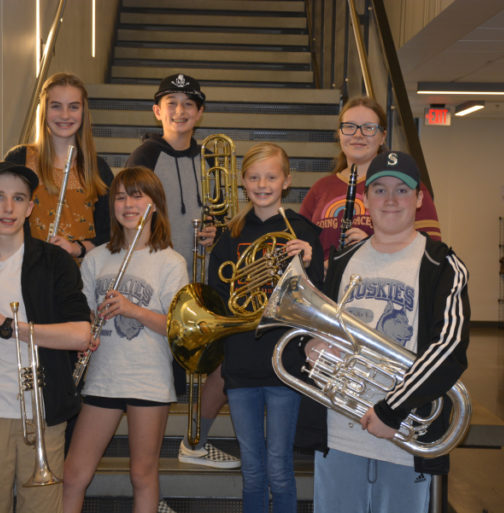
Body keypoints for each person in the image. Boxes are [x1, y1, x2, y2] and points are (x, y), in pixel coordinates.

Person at [295, 151, 470, 513]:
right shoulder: (342, 261)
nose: (390, 200)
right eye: (379, 190)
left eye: (402, 191)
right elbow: (317, 329)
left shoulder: (442, 264)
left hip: (404, 437)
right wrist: (311, 347)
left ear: (419, 198)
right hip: (341, 434)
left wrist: (393, 410)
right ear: (366, 199)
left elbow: (449, 347)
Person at [0, 161, 93, 513]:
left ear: (30, 208)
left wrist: (9, 328)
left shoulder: (56, 262)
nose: (7, 208)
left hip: (42, 414)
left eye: (17, 198)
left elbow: (80, 335)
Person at [126, 73, 240, 472]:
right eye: (170, 103)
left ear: (200, 113)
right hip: (160, 277)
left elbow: (227, 213)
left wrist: (218, 230)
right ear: (157, 111)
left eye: (188, 104)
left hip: (203, 273)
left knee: (210, 362)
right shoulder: (145, 155)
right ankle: (150, 472)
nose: (180, 110)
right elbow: (129, 210)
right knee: (161, 375)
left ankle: (191, 441)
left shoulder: (211, 156)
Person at [62, 167, 189, 513]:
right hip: (102, 377)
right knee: (73, 474)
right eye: (120, 197)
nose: (128, 204)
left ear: (155, 203)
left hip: (148, 379)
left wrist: (134, 311)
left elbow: (177, 329)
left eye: (137, 195)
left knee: (142, 474)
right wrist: (85, 332)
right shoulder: (96, 258)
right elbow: (83, 317)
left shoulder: (170, 262)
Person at [208, 143, 324, 513]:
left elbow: (318, 299)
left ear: (286, 182)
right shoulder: (231, 234)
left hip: (283, 364)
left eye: (271, 177)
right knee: (253, 469)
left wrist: (309, 261)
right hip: (241, 363)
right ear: (243, 183)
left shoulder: (303, 231)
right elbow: (218, 294)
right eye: (254, 177)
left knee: (279, 467)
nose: (262, 184)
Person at [300, 96, 441, 262]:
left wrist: (373, 247)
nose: (358, 134)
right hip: (324, 286)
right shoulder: (321, 188)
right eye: (350, 126)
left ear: (382, 137)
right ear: (339, 134)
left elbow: (431, 252)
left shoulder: (407, 187)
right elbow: (300, 244)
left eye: (369, 128)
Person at [5, 72, 114, 259]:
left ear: (83, 112)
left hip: (81, 280)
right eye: (56, 106)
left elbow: (110, 235)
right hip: (28, 275)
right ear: (44, 111)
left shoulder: (98, 168)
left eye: (73, 107)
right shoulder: (19, 159)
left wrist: (76, 248)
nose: (65, 115)